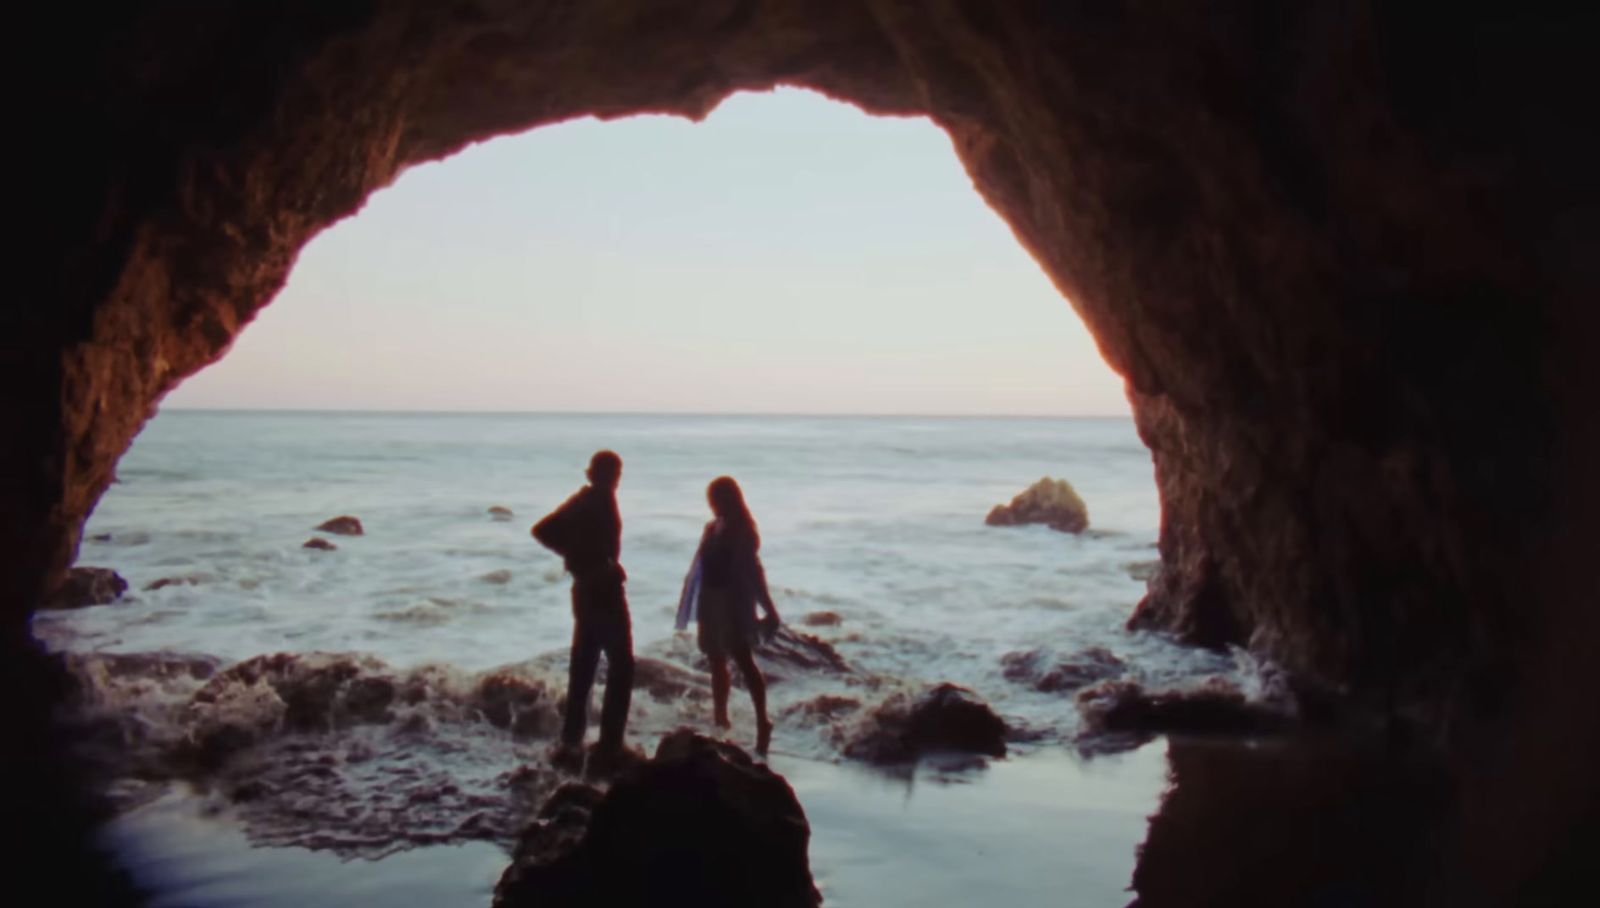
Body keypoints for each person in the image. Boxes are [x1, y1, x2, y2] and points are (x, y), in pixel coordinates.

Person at [532, 450, 634, 769]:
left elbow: (544, 531)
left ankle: (572, 740)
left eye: (615, 473)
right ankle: (609, 743)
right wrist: (596, 565)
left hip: (585, 589)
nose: (614, 480)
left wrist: (576, 559)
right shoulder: (597, 501)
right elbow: (544, 531)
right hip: (602, 591)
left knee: (585, 662)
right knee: (621, 665)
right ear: (600, 475)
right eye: (611, 473)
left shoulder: (585, 499)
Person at [676, 475, 781, 755]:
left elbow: (753, 572)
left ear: (731, 499)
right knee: (715, 659)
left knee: (743, 659)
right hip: (711, 600)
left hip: (733, 601)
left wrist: (769, 608)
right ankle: (720, 719)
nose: (713, 504)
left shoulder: (743, 529)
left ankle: (762, 721)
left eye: (718, 498)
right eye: (711, 499)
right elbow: (699, 569)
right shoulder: (712, 528)